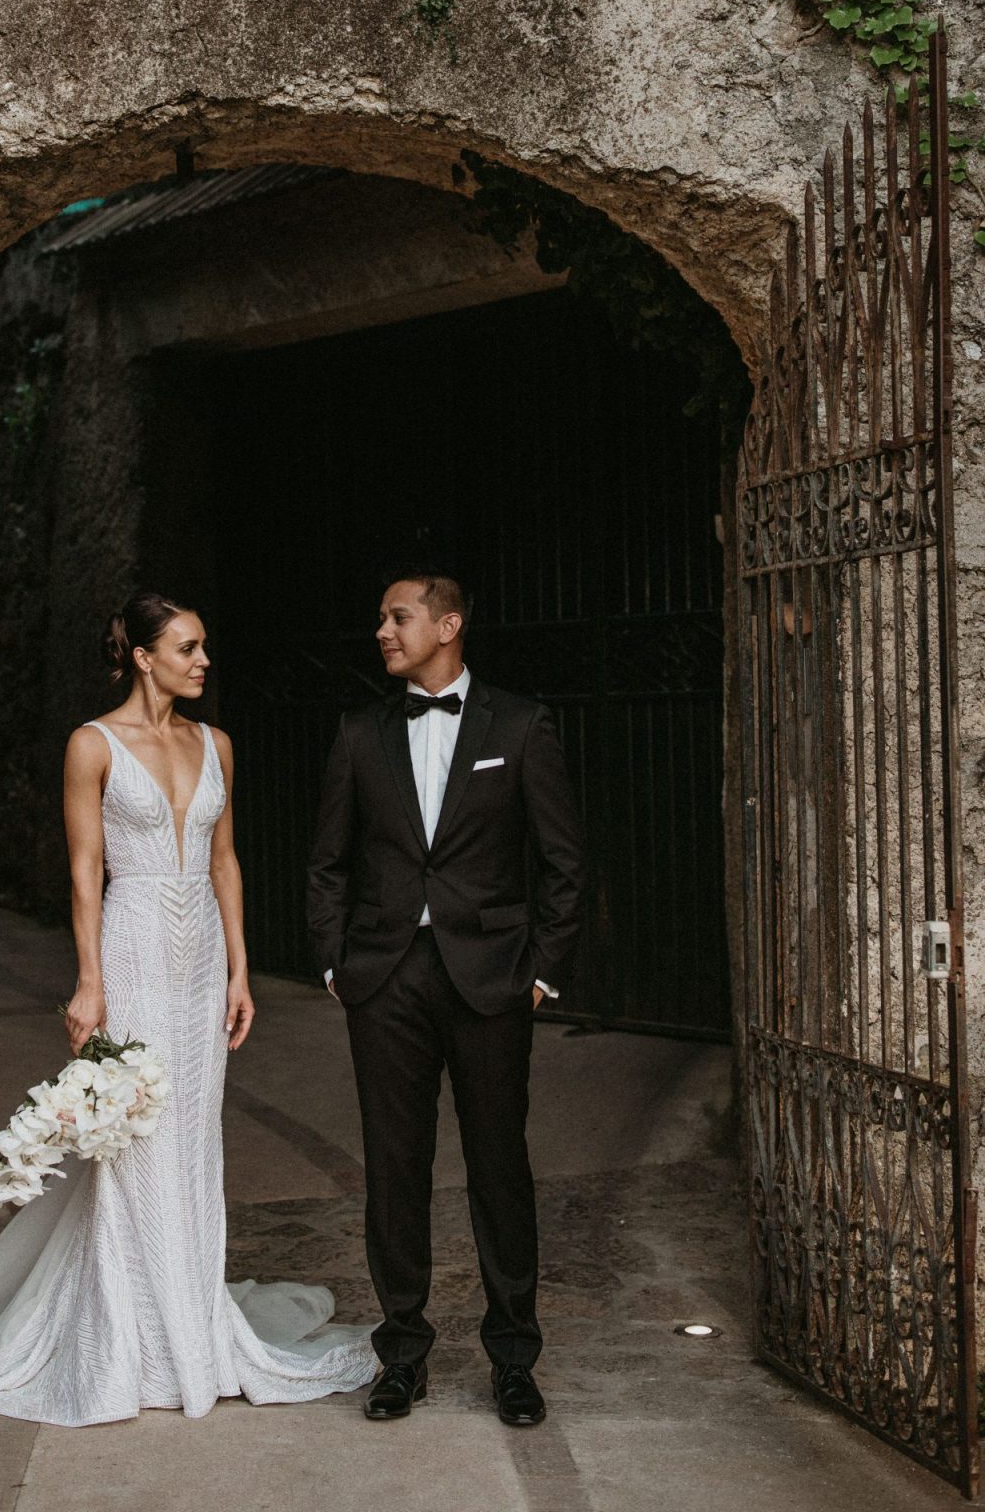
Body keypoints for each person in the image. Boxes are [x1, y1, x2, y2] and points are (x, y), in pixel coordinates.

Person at [0, 591, 375, 1423]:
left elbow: (226, 862)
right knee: (133, 1142)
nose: (204, 661)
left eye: (204, 647)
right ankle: (126, 1333)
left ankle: (191, 1329)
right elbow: (85, 869)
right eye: (190, 647)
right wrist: (90, 981)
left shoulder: (217, 744)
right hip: (131, 949)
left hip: (201, 957)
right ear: (142, 654)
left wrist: (242, 972)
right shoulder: (92, 745)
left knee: (194, 1142)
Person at [307, 571, 585, 1427]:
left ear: (448, 623)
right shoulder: (360, 734)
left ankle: (513, 1359)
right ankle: (402, 1355)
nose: (383, 631)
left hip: (491, 978)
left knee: (499, 1169)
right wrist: (335, 966)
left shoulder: (521, 723)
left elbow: (563, 863)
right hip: (386, 979)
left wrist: (538, 972)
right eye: (383, 618)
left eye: (398, 617)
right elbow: (327, 864)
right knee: (395, 1168)